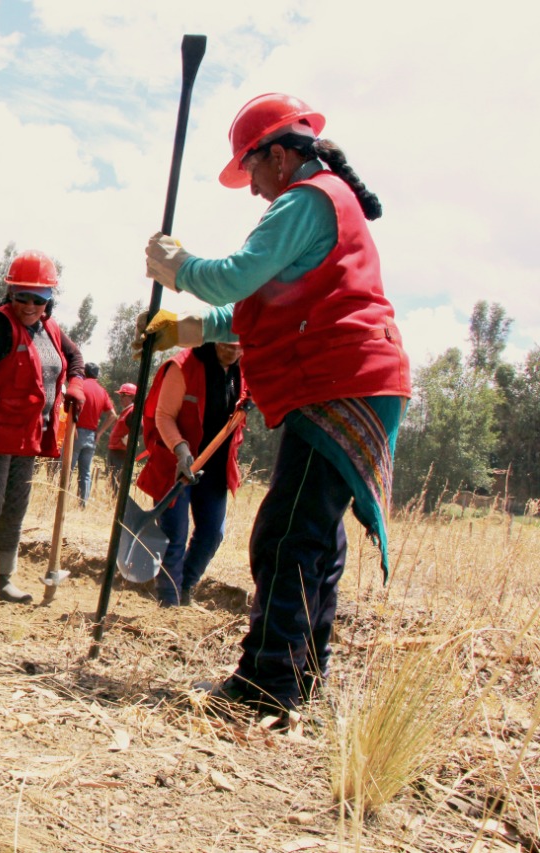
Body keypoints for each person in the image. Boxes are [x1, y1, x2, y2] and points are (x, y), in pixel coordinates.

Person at [142, 93, 410, 718]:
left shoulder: (306, 199)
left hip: (341, 377)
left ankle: (266, 686)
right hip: (352, 377)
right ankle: (301, 673)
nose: (254, 189)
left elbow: (237, 275)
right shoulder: (321, 203)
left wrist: (180, 267)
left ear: (281, 156)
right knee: (313, 533)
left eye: (253, 170)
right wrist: (185, 330)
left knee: (286, 534)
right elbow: (260, 305)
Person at [0, 250, 85, 608]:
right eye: (21, 296)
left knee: (14, 510)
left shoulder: (51, 329)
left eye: (38, 298)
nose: (29, 305)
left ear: (49, 300)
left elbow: (74, 359)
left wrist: (77, 385)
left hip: (29, 435)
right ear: (10, 294)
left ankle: (1, 582)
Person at [138, 343, 245, 607]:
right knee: (175, 533)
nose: (233, 351)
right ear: (214, 337)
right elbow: (164, 416)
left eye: (239, 346)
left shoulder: (246, 369)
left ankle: (184, 587)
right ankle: (168, 600)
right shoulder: (183, 365)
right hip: (177, 461)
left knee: (212, 533)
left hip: (215, 464)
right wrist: (181, 449)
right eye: (227, 344)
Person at [70, 363, 115, 508]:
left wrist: (72, 427)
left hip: (76, 432)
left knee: (67, 469)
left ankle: (60, 500)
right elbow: (112, 415)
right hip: (92, 435)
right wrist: (100, 433)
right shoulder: (102, 391)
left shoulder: (80, 385)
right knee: (85, 473)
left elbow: (71, 406)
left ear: (84, 372)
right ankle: (82, 505)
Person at [102, 383, 138, 492]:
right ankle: (113, 501)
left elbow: (139, 427)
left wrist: (129, 438)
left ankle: (116, 502)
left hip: (121, 452)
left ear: (131, 397)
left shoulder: (132, 411)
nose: (120, 398)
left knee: (117, 480)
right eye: (120, 395)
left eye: (123, 396)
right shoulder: (127, 411)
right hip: (116, 450)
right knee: (113, 479)